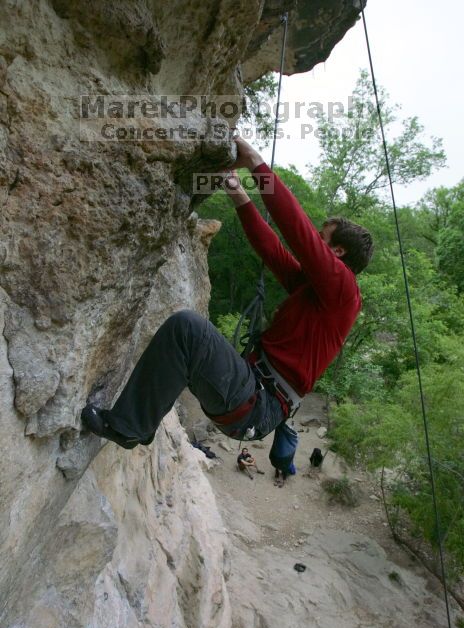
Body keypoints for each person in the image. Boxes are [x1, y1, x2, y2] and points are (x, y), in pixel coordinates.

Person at [81, 136, 374, 448]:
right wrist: (237, 191)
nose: (315, 239)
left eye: (322, 238)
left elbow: (296, 231)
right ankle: (143, 420)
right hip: (252, 391)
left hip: (258, 400)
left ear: (338, 252)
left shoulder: (344, 292)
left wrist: (255, 163)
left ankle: (131, 427)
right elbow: (272, 249)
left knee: (187, 330)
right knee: (187, 342)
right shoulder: (315, 291)